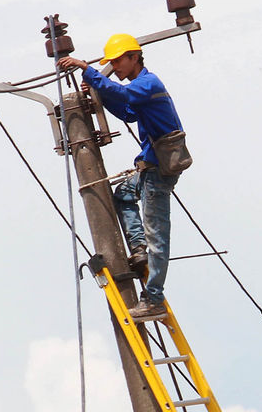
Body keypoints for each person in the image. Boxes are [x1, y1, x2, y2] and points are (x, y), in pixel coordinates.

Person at [58, 33, 186, 322]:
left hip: (157, 172)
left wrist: (87, 70)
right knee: (124, 195)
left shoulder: (148, 83)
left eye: (117, 61)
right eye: (111, 63)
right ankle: (138, 249)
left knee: (158, 238)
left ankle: (153, 299)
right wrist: (99, 91)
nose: (114, 67)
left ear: (134, 57)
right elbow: (128, 111)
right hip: (149, 169)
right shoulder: (142, 90)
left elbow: (126, 97)